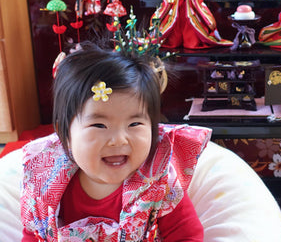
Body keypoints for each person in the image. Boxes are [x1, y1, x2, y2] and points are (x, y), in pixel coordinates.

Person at [20, 43, 211, 241]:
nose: (118, 139)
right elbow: (34, 235)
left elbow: (187, 236)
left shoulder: (160, 184)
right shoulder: (46, 182)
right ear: (65, 133)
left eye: (135, 123)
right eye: (99, 125)